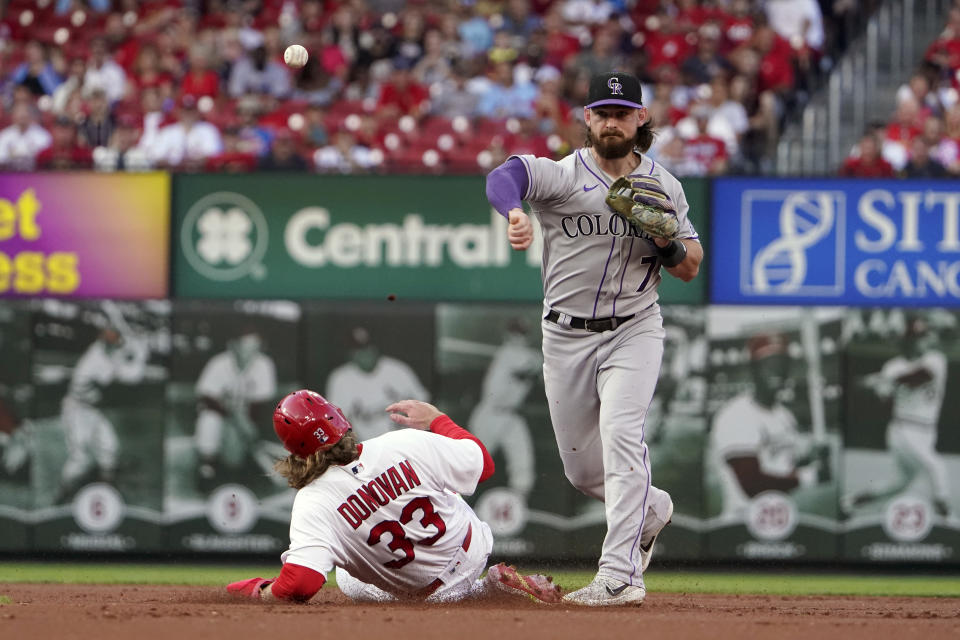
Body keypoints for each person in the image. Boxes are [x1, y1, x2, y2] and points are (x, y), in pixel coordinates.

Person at [483, 71, 703, 606]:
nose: (611, 122)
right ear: (587, 119)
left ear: (640, 118)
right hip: (565, 336)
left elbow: (692, 266)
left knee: (623, 434)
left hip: (634, 328)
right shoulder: (561, 177)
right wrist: (514, 211)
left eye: (621, 113)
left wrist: (666, 244)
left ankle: (620, 575)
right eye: (602, 112)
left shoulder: (663, 186)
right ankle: (649, 510)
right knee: (584, 472)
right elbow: (504, 175)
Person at [226, 390, 561, 604]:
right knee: (444, 483)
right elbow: (484, 465)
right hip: (473, 548)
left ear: (292, 452)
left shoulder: (313, 501)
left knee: (345, 575)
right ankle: (487, 588)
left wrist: (260, 589)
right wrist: (436, 420)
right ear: (338, 416)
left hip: (431, 594)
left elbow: (301, 582)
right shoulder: (403, 442)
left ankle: (483, 591)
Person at [709, 333, 830, 519]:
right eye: (770, 364)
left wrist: (811, 456)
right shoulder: (736, 415)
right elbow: (752, 484)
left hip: (779, 516)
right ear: (754, 369)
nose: (778, 371)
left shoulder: (784, 415)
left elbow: (782, 464)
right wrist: (809, 477)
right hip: (742, 521)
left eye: (783, 364)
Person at [843, 314, 951, 518]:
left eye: (924, 336)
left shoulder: (936, 359)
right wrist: (878, 387)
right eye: (917, 337)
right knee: (937, 467)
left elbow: (919, 377)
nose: (923, 341)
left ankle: (852, 501)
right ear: (907, 340)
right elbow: (884, 398)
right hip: (904, 429)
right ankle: (946, 515)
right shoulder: (894, 365)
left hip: (927, 432)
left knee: (899, 484)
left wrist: (882, 379)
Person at [55, 312, 149, 503]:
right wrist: (141, 356)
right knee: (80, 458)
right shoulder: (96, 362)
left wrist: (133, 344)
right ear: (103, 342)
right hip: (77, 410)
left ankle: (106, 492)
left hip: (92, 410)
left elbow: (121, 349)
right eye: (111, 342)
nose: (115, 345)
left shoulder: (103, 348)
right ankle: (62, 496)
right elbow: (131, 378)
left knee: (109, 448)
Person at [467, 319, 541, 501]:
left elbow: (537, 368)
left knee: (523, 463)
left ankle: (516, 510)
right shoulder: (508, 353)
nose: (519, 338)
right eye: (515, 333)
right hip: (490, 416)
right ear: (507, 336)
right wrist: (545, 360)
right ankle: (451, 508)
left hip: (511, 416)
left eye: (523, 334)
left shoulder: (524, 354)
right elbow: (531, 366)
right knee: (471, 468)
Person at [193, 328, 278, 488]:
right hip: (220, 415)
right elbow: (206, 398)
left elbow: (262, 404)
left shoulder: (264, 364)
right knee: (208, 421)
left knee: (236, 460)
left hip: (247, 417)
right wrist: (233, 414)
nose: (250, 354)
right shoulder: (218, 363)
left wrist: (249, 426)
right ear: (233, 346)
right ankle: (207, 467)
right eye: (245, 347)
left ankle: (250, 461)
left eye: (255, 348)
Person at [326, 327, 429, 441]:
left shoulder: (397, 370)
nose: (365, 354)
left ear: (376, 349)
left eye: (368, 349)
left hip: (405, 441)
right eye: (359, 351)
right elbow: (336, 423)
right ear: (351, 354)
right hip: (368, 447)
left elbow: (425, 403)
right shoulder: (340, 379)